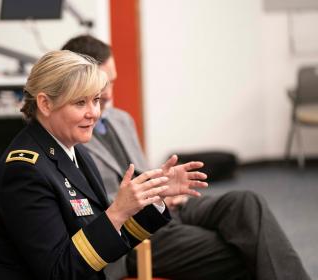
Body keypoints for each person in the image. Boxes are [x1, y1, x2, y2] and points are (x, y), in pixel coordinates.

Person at [62, 34, 311, 280]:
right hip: (133, 233)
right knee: (250, 248)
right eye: (102, 84)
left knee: (247, 203)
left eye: (112, 83)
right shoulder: (72, 133)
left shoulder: (121, 119)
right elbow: (87, 210)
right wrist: (148, 200)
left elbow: (143, 172)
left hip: (167, 208)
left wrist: (164, 187)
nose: (108, 94)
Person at [0, 50, 208, 280]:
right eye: (80, 103)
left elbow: (105, 240)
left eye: (95, 100)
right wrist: (117, 211)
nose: (93, 113)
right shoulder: (25, 170)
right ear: (45, 104)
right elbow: (59, 270)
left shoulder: (77, 153)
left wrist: (153, 195)